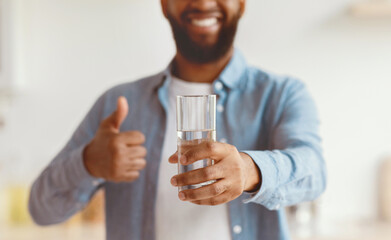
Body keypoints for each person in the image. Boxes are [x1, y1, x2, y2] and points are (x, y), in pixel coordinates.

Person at [29, 0, 327, 239]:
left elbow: (314, 173)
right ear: (163, 5)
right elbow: (41, 210)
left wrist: (252, 171)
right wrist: (87, 163)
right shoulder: (118, 104)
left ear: (242, 4)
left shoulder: (281, 95)